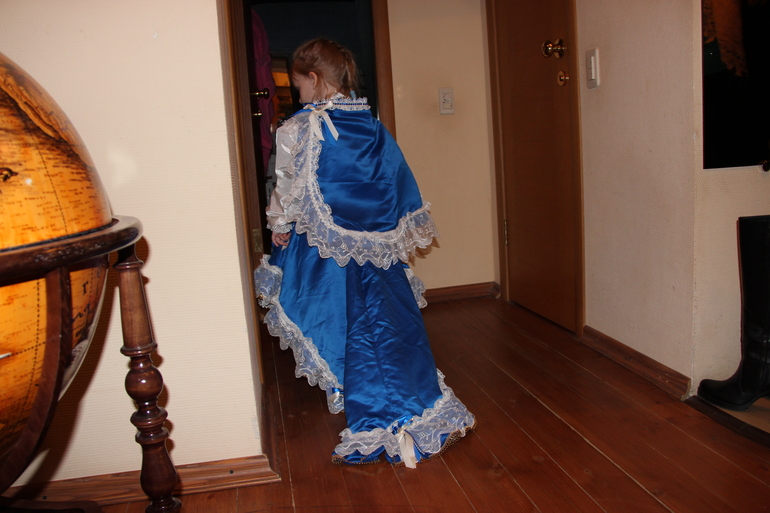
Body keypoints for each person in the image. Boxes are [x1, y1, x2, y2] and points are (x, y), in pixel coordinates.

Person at [254, 38, 475, 467]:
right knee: (387, 321)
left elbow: (287, 186)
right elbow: (394, 176)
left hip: (326, 250)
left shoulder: (299, 127)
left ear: (314, 79)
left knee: (336, 316)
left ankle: (373, 404)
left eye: (298, 86)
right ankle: (402, 394)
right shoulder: (371, 124)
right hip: (377, 247)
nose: (298, 94)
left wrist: (278, 226)